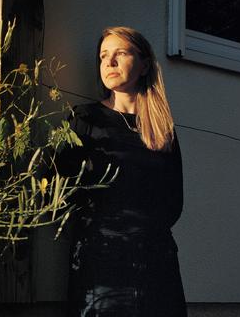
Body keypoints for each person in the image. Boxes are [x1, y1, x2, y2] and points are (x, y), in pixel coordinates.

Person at [61, 26, 187, 316]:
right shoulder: (85, 119)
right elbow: (63, 192)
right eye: (104, 55)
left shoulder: (162, 128)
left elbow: (173, 201)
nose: (109, 62)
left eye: (120, 53)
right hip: (102, 262)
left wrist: (145, 237)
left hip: (156, 262)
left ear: (144, 65)